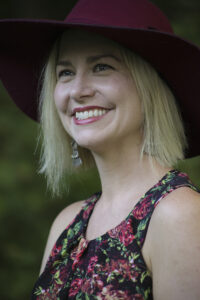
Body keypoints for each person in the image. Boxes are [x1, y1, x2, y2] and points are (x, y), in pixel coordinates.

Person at [1, 0, 200, 299]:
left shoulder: (178, 214)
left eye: (102, 67)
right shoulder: (67, 225)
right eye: (65, 72)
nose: (78, 90)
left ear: (151, 87)